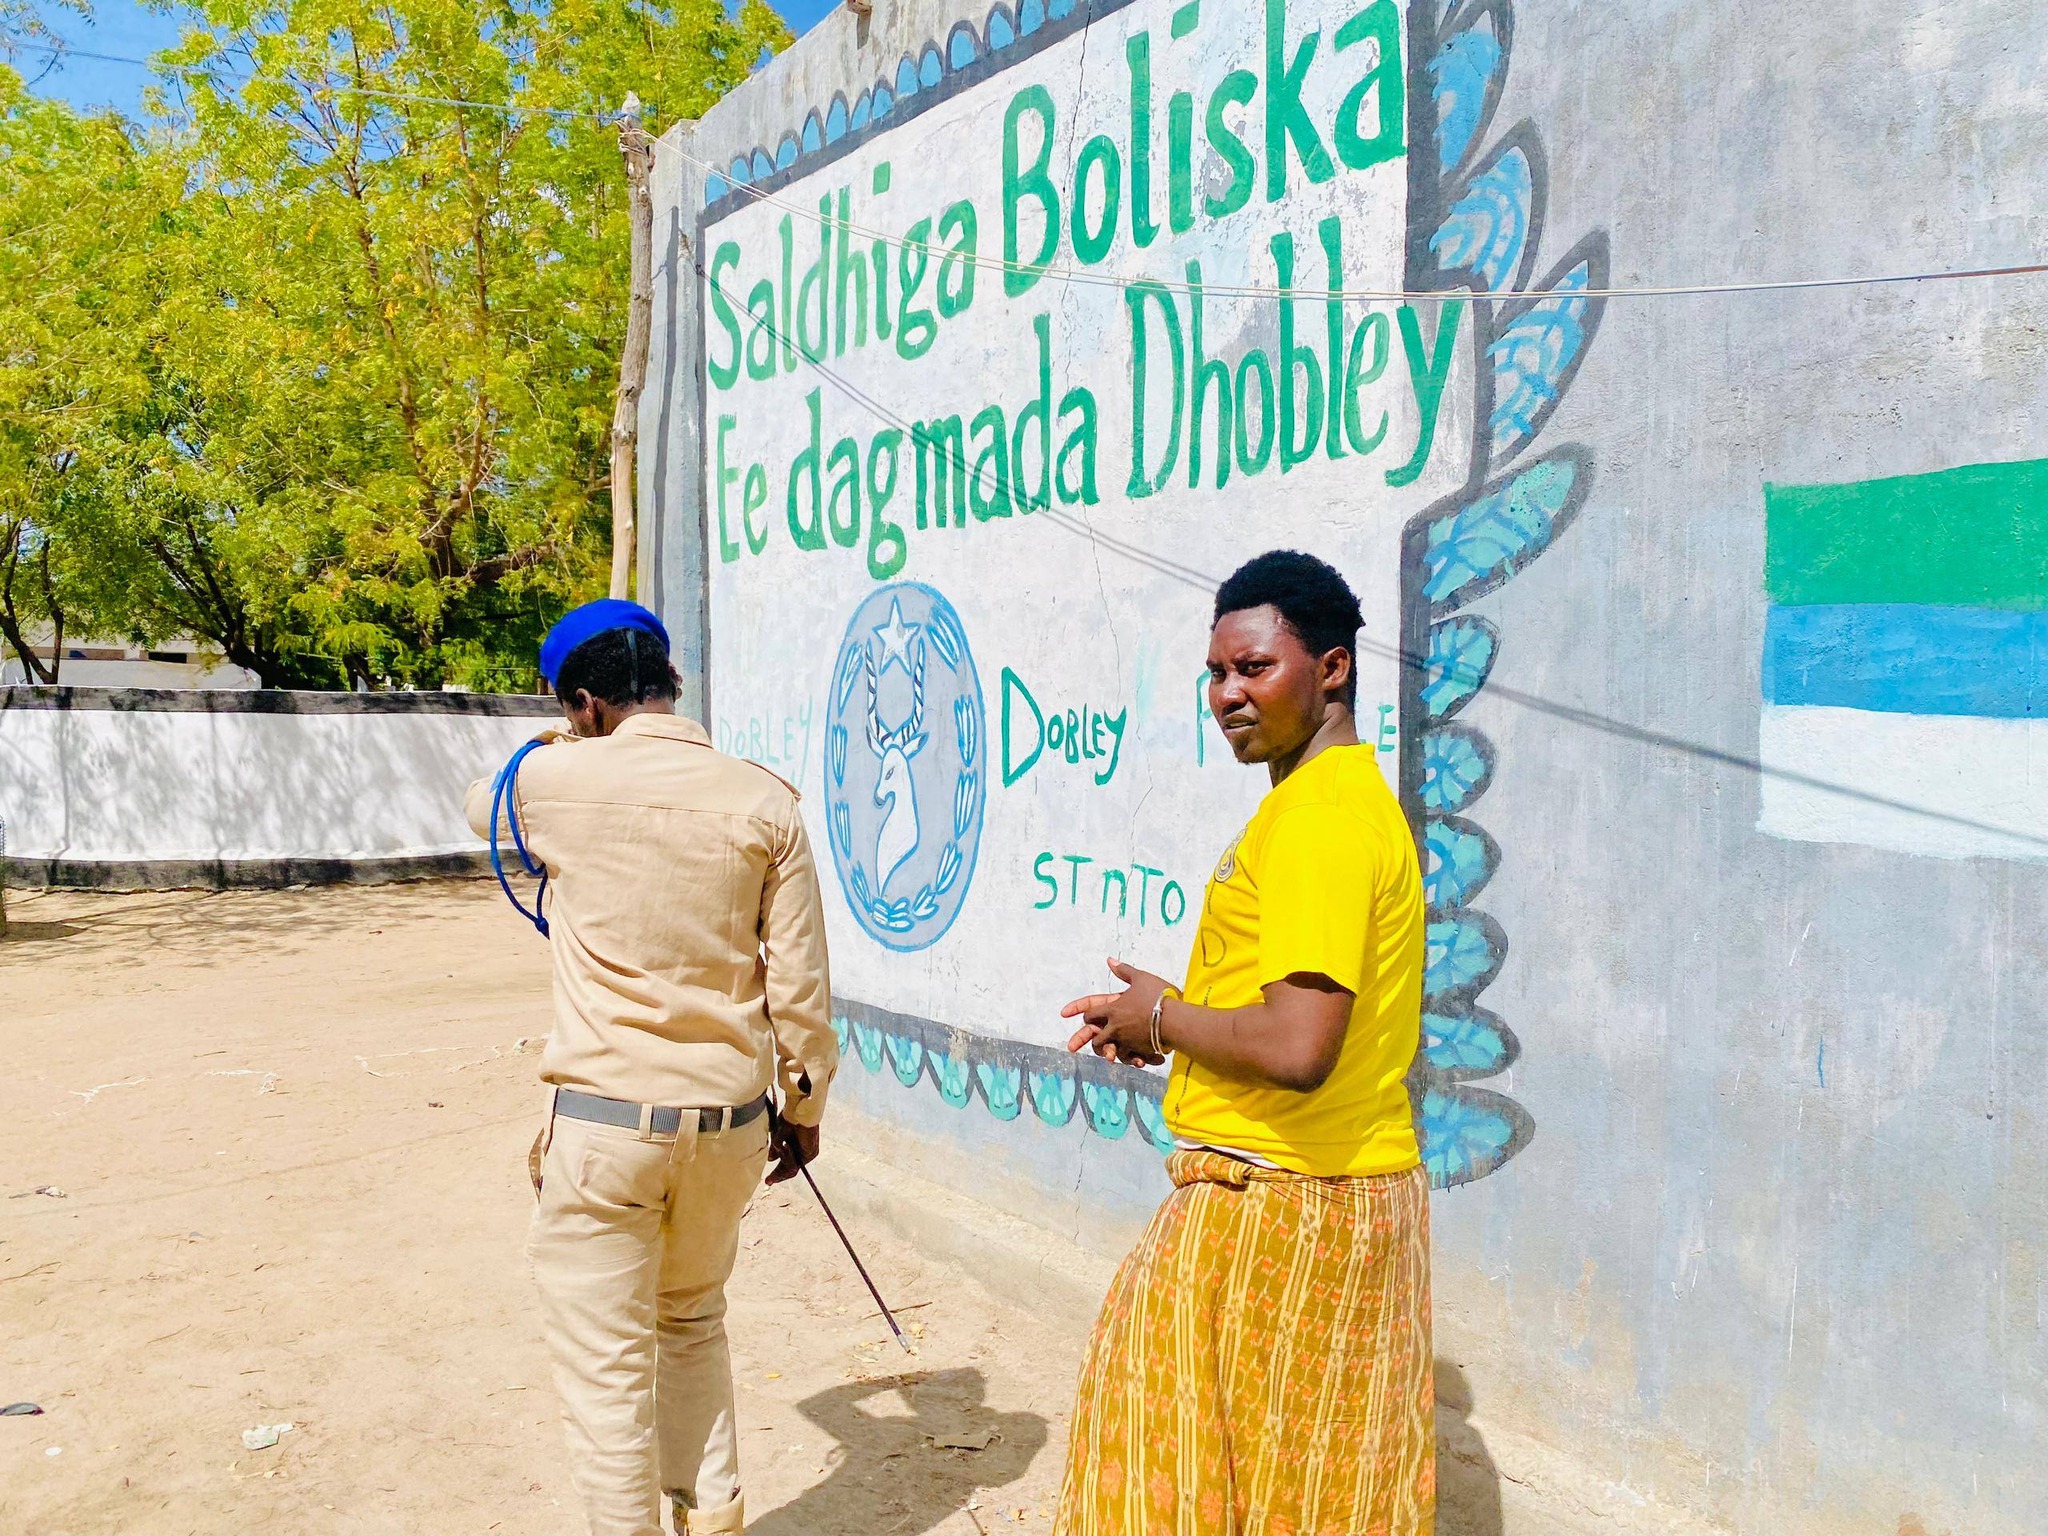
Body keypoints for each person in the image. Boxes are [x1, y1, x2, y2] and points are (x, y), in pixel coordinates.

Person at [1052, 550, 1433, 1536]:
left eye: (1254, 667)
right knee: (1293, 1498)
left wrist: (1163, 1021)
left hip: (1283, 1205)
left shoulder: (1318, 822)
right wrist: (1172, 1023)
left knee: (1170, 1484)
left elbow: (1301, 1046)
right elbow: (1292, 1018)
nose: (1227, 695)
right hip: (1331, 1193)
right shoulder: (1331, 806)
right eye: (1216, 673)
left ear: (1332, 668)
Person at [464, 598, 836, 1536]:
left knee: (607, 1372)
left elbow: (480, 805)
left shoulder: (550, 783)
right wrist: (804, 1109)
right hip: (729, 1127)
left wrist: (566, 740)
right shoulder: (765, 801)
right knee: (693, 1323)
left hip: (605, 1130)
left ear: (585, 704)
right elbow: (800, 990)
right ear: (671, 681)